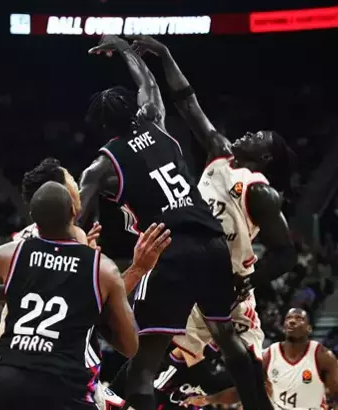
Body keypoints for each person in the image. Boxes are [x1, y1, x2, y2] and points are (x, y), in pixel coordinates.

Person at [82, 34, 272, 410]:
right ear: (133, 111)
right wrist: (124, 49)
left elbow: (78, 218)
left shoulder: (101, 167)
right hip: (212, 242)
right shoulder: (155, 122)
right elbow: (150, 85)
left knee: (142, 365)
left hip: (170, 248)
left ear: (102, 127)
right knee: (228, 339)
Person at [0, 182, 172, 408]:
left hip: (9, 382)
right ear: (73, 213)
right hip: (65, 385)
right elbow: (130, 346)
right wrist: (135, 272)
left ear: (33, 217)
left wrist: (13, 291)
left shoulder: (10, 254)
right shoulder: (101, 268)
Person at [0, 157, 125, 409]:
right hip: (55, 359)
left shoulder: (32, 237)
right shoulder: (68, 240)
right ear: (60, 192)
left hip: (18, 352)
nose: (78, 185)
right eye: (72, 180)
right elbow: (98, 308)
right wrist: (139, 268)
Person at [183, 308, 338, 410]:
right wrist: (209, 399)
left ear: (309, 329)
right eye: (289, 318)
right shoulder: (269, 355)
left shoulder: (322, 357)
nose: (292, 321)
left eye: (299, 318)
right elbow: (244, 391)